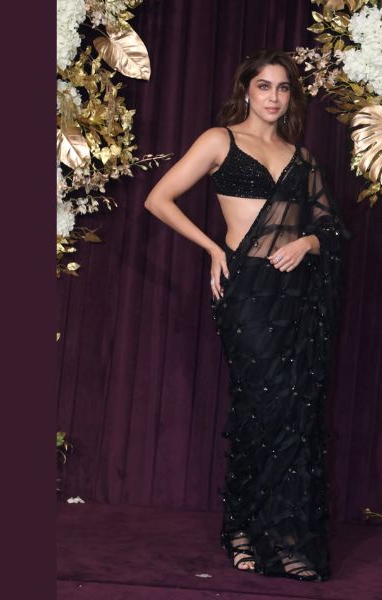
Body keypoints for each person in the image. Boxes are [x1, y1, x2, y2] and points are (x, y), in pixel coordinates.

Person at [144, 48, 348, 582]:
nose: (273, 97)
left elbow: (331, 230)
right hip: (247, 292)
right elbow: (158, 199)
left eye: (283, 88)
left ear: (291, 96)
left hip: (295, 296)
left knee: (295, 413)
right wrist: (214, 248)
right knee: (261, 406)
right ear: (247, 90)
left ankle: (286, 538)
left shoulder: (302, 158)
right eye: (264, 86)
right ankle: (243, 530)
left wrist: (306, 242)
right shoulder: (221, 140)